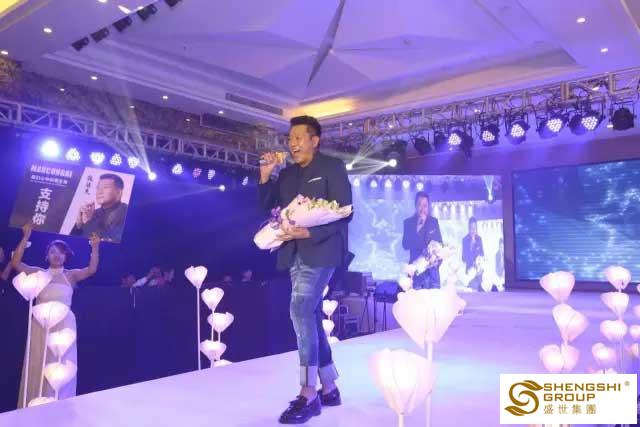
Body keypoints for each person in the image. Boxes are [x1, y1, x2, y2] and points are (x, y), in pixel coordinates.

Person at [259, 115, 352, 424]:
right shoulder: (286, 174)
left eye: (299, 138)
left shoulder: (332, 167)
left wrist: (310, 231)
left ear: (315, 140)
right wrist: (265, 177)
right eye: (290, 139)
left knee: (299, 310)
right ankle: (330, 387)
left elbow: (344, 212)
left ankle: (308, 392)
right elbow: (268, 207)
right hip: (292, 253)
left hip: (322, 251)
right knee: (309, 314)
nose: (293, 143)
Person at [11, 223, 100, 407]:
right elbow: (16, 264)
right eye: (52, 252)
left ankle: (59, 405)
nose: (57, 255)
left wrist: (95, 246)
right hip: (41, 324)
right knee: (39, 359)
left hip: (64, 327)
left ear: (66, 256)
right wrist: (25, 237)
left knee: (60, 364)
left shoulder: (70, 275)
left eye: (60, 252)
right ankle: (35, 402)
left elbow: (91, 269)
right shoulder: (39, 273)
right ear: (47, 255)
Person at [71, 173, 128, 242]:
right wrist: (79, 224)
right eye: (98, 188)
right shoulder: (93, 213)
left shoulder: (126, 214)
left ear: (119, 192)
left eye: (105, 187)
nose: (99, 192)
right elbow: (72, 241)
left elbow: (104, 243)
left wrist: (88, 223)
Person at [402, 192, 443, 289]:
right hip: (417, 273)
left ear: (428, 207)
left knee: (435, 298)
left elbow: (440, 244)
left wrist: (437, 262)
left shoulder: (433, 222)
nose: (422, 208)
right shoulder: (408, 223)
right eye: (419, 204)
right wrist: (417, 229)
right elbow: (405, 245)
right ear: (415, 205)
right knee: (416, 299)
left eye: (425, 205)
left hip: (432, 272)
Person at [462, 217, 485, 290]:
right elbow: (463, 258)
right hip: (470, 273)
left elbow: (482, 254)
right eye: (472, 228)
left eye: (475, 228)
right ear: (469, 228)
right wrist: (471, 246)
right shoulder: (465, 240)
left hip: (479, 273)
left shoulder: (479, 239)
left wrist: (479, 262)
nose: (473, 230)